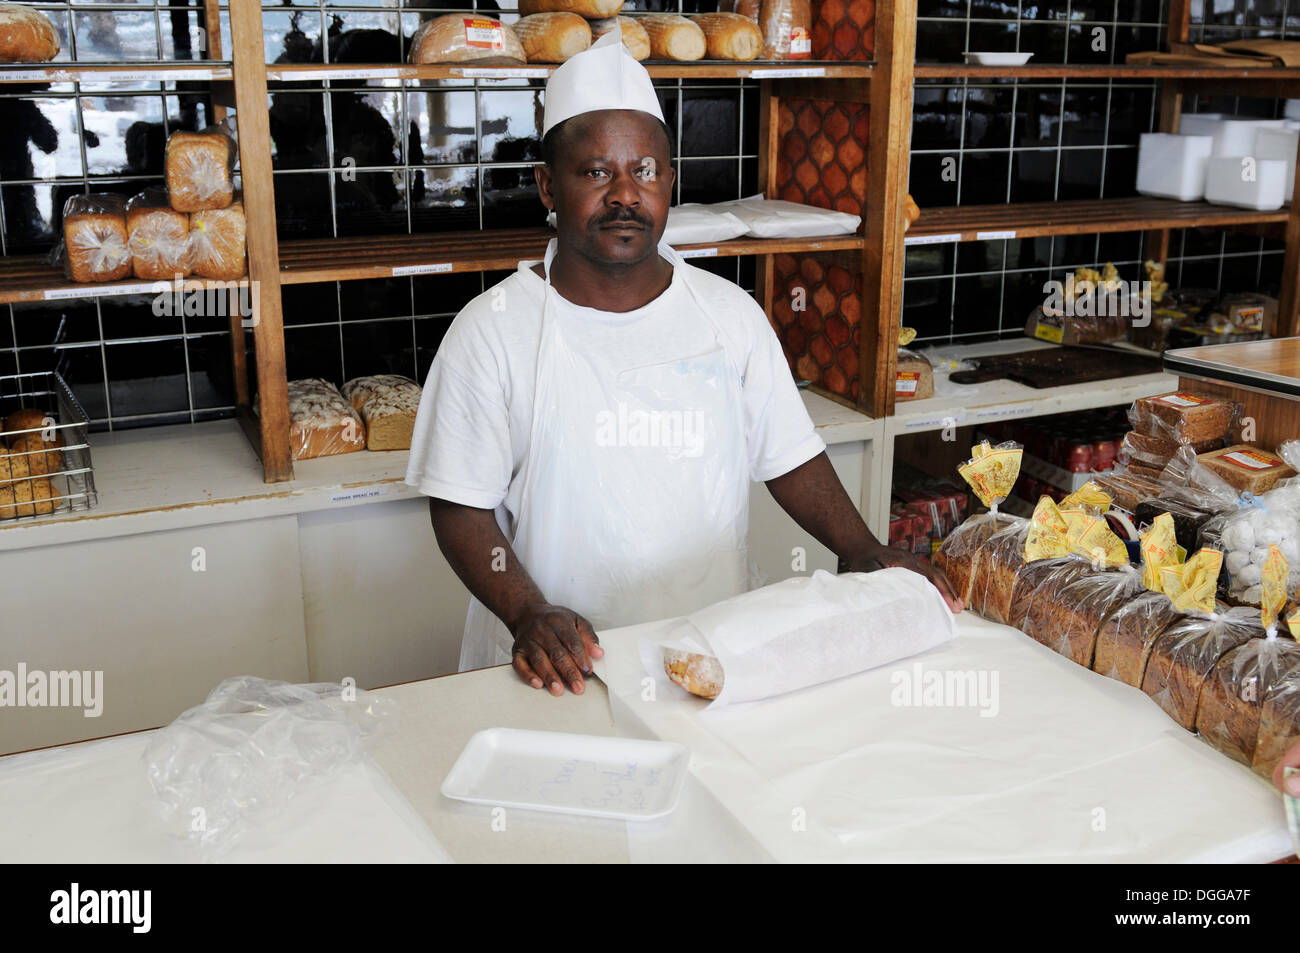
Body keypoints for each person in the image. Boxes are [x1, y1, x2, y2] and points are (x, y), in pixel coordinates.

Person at [405, 32, 959, 696]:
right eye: (595, 171)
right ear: (548, 186)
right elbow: (460, 505)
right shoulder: (491, 333)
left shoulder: (728, 316)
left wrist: (860, 546)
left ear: (669, 181)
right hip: (558, 664)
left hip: (708, 652)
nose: (623, 194)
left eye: (644, 170)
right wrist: (528, 609)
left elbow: (789, 454)